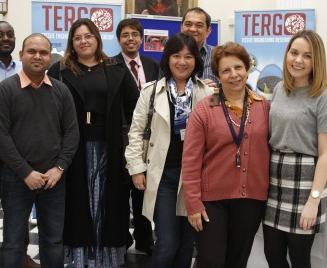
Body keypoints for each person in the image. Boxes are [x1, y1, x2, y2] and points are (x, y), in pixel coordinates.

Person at [47, 18, 139, 267]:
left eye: (88, 36)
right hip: (73, 149)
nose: (83, 41)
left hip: (110, 147)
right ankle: (80, 257)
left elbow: (136, 108)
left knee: (108, 203)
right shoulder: (60, 71)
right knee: (79, 202)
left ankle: (106, 257)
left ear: (97, 38)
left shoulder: (116, 68)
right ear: (71, 43)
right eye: (77, 37)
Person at [0, 33, 79, 267]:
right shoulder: (5, 90)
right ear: (21, 55)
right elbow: (0, 136)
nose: (37, 56)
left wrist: (59, 168)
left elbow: (72, 133)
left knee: (53, 241)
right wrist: (25, 173)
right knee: (13, 242)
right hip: (17, 179)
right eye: (32, 51)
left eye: (43, 52)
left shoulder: (61, 92)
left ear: (51, 58)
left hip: (53, 180)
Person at [125, 33, 213, 268]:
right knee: (167, 242)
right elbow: (135, 132)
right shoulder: (151, 91)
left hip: (194, 178)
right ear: (167, 58)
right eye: (176, 56)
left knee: (188, 243)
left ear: (196, 60)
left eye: (188, 56)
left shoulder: (208, 94)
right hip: (162, 175)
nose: (182, 62)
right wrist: (136, 168)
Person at [182, 42, 270, 268]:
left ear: (247, 68)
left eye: (238, 68)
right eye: (226, 70)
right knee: (210, 260)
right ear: (218, 75)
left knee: (237, 261)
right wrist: (193, 203)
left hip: (251, 199)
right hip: (211, 201)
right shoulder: (204, 109)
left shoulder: (264, 107)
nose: (234, 75)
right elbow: (190, 160)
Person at [263, 30, 327, 268]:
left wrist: (314, 200)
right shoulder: (279, 89)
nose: (298, 60)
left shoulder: (323, 95)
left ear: (316, 60)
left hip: (305, 182)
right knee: (273, 256)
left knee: (300, 259)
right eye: (294, 53)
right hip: (274, 180)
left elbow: (325, 154)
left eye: (307, 56)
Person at [0, 21, 39, 268]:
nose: (6, 38)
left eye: (10, 35)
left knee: (20, 206)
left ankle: (21, 257)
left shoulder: (23, 70)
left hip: (18, 149)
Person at [113, 18, 160, 255]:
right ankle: (122, 240)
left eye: (134, 34)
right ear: (118, 39)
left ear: (141, 38)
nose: (130, 38)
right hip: (121, 137)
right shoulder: (110, 65)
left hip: (150, 139)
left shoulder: (154, 65)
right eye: (125, 35)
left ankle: (144, 239)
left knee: (143, 191)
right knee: (122, 192)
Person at [181, 7, 219, 87]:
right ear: (181, 28)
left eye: (199, 25)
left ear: (208, 31)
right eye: (188, 24)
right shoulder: (170, 55)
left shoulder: (218, 55)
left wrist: (217, 91)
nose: (192, 29)